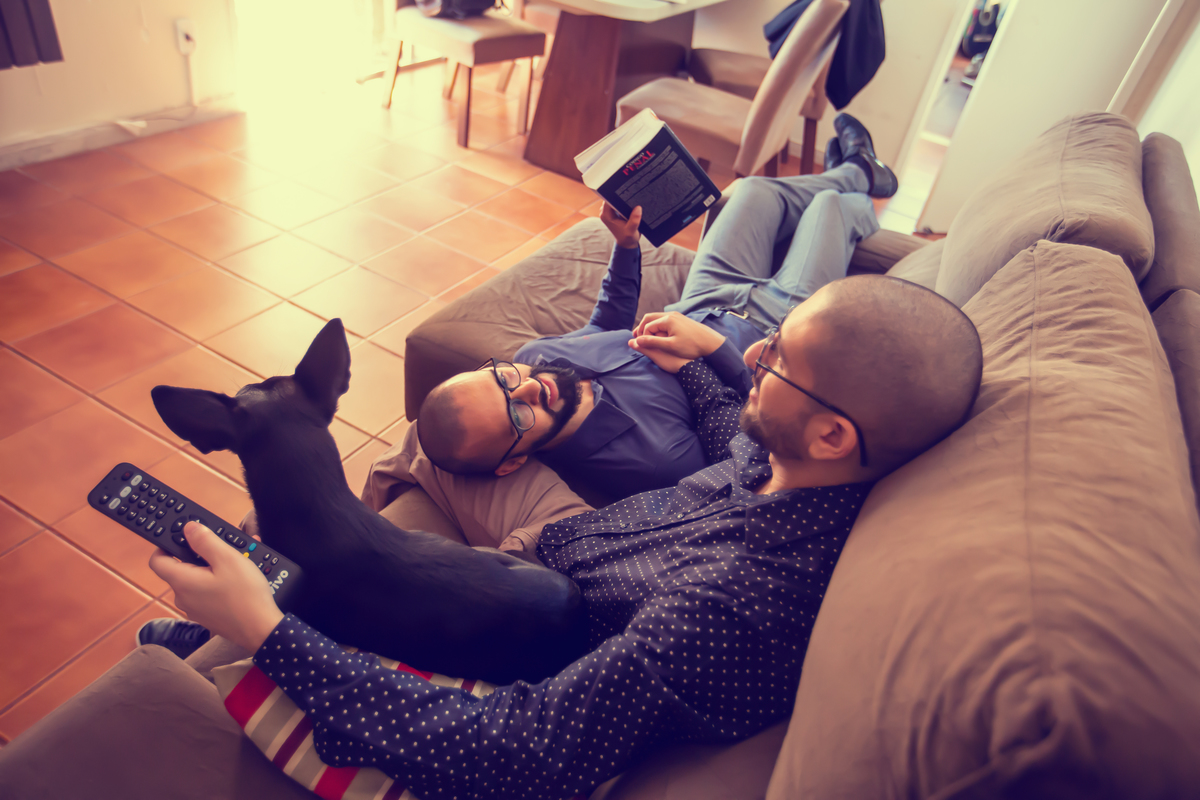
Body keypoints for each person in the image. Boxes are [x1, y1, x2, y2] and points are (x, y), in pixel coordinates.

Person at [150, 272, 984, 800]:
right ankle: (253, 596)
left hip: (546, 612)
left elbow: (523, 746)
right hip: (565, 544)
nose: (756, 350)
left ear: (834, 435)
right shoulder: (784, 461)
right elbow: (736, 422)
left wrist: (270, 631)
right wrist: (709, 358)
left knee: (362, 497)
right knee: (435, 431)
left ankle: (238, 620)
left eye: (776, 360)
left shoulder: (734, 607)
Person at [410, 113, 898, 501]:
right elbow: (753, 427)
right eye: (515, 416)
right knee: (829, 209)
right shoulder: (653, 462)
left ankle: (854, 169)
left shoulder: (536, 358)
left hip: (704, 294)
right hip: (774, 327)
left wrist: (625, 248)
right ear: (512, 461)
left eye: (502, 379)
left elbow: (606, 326)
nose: (530, 389)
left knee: (746, 190)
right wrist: (712, 349)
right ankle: (859, 179)